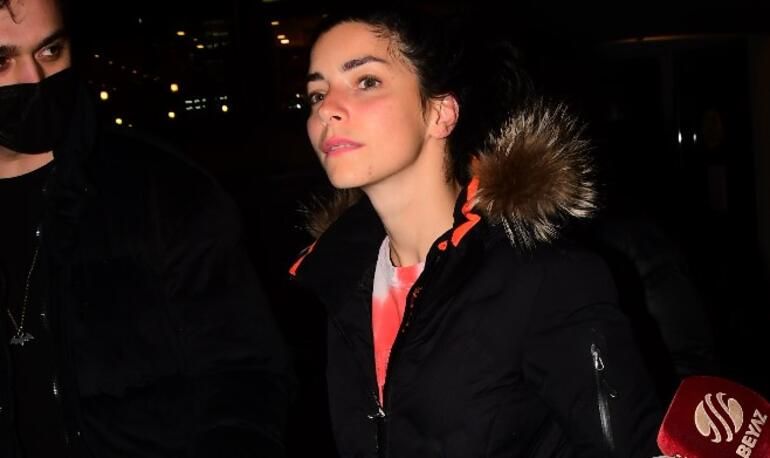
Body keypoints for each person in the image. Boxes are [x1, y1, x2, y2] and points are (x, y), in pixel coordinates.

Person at [289, 6, 664, 457]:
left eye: (366, 81)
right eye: (316, 93)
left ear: (440, 113)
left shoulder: (541, 277)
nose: (327, 109)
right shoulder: (342, 280)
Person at [0, 0, 292, 456]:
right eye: (1, 61)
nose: (33, 78)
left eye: (51, 51)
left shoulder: (163, 189)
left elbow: (247, 379)